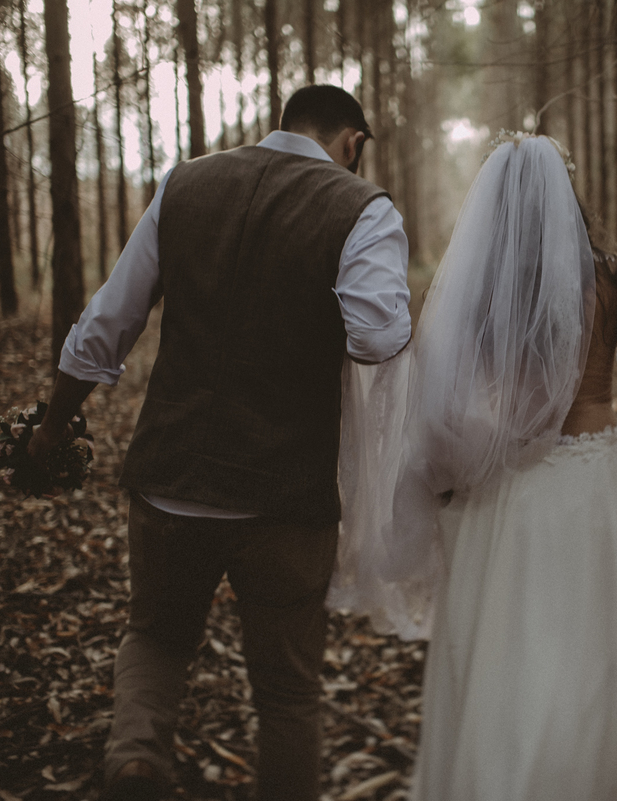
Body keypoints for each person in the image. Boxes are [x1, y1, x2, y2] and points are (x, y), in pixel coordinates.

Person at [27, 85, 411, 801]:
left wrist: (54, 423)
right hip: (284, 497)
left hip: (170, 474)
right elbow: (379, 335)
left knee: (156, 640)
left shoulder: (184, 183)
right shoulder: (362, 208)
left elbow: (109, 322)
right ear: (352, 142)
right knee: (288, 696)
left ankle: (138, 762)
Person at [341, 133, 617, 800]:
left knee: (510, 664)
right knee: (600, 659)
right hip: (599, 485)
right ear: (567, 194)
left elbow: (455, 403)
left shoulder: (484, 286)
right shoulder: (616, 278)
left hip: (507, 496)